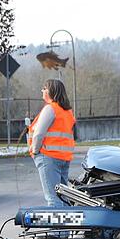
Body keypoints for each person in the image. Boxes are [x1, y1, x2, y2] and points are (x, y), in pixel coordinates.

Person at [28, 78, 76, 207]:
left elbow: (39, 133)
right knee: (63, 197)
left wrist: (35, 151)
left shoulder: (50, 109)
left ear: (51, 91)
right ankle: (66, 226)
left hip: (48, 157)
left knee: (53, 198)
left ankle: (57, 227)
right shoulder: (67, 111)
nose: (42, 91)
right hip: (64, 158)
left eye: (45, 88)